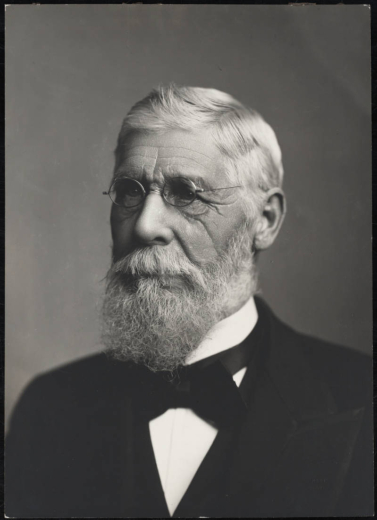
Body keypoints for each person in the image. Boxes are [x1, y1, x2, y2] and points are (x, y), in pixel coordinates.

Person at [5, 84, 373, 518]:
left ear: (265, 220)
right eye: (129, 191)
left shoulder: (359, 399)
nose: (145, 226)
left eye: (186, 194)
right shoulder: (48, 408)